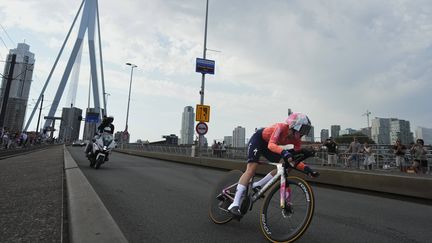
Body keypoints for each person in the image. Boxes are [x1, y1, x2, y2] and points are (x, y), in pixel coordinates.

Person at [227, 112, 319, 216]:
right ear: (294, 126)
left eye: (305, 131)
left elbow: (294, 161)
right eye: (303, 130)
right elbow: (271, 145)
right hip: (259, 140)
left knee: (286, 166)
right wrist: (285, 152)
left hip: (269, 146)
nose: (303, 134)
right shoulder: (280, 127)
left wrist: (307, 169)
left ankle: (258, 184)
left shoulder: (297, 140)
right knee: (251, 169)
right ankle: (234, 204)